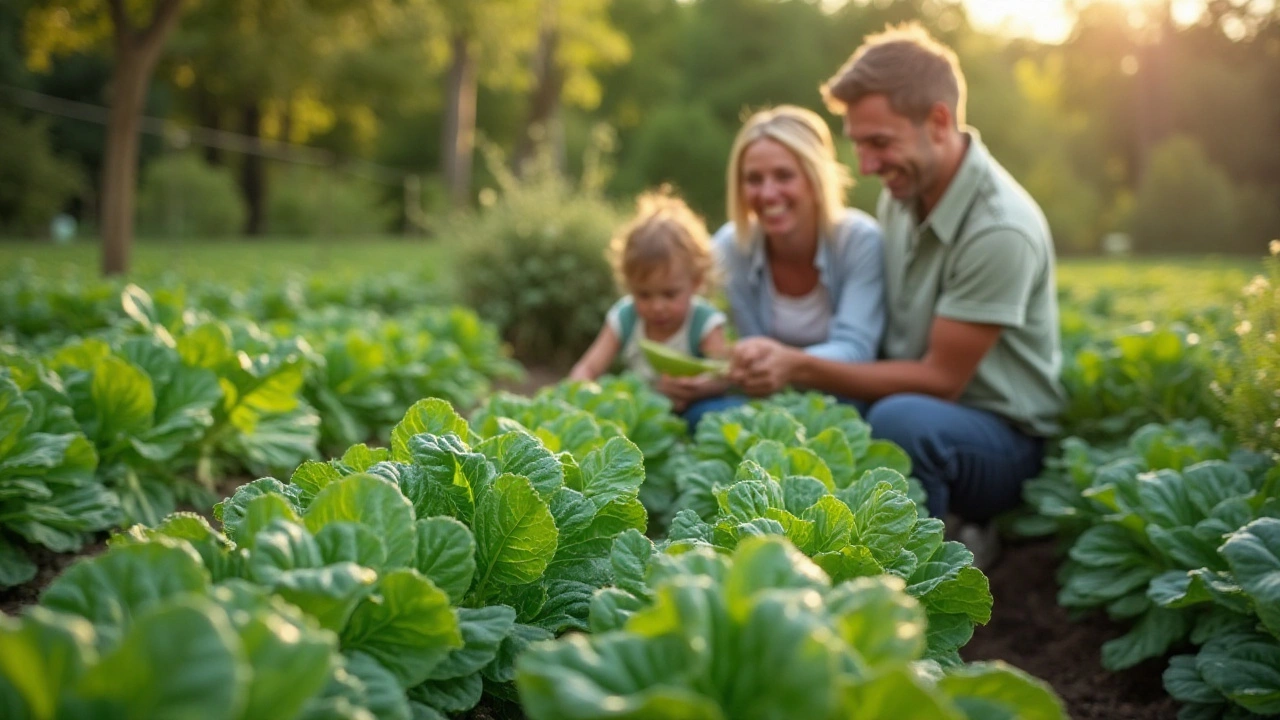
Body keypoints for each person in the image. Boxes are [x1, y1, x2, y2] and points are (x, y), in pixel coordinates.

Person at [729, 24, 1066, 561]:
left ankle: (921, 570)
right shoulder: (902, 193)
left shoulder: (999, 228)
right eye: (858, 143)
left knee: (900, 423)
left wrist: (797, 363)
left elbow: (941, 381)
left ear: (938, 121)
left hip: (997, 438)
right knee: (815, 410)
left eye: (879, 143)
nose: (864, 165)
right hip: (911, 398)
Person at [676, 104, 886, 425]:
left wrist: (790, 363)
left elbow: (857, 350)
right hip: (758, 401)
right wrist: (693, 377)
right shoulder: (729, 248)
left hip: (837, 396)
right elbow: (717, 342)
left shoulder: (860, 241)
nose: (768, 193)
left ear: (815, 180)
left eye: (784, 176)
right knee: (699, 416)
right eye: (754, 180)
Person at [569, 191, 730, 410]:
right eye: (643, 294)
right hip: (641, 414)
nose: (657, 307)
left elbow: (724, 375)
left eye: (669, 294)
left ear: (696, 281)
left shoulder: (704, 322)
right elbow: (588, 368)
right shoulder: (625, 317)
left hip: (691, 407)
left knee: (715, 410)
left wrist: (699, 387)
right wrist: (577, 392)